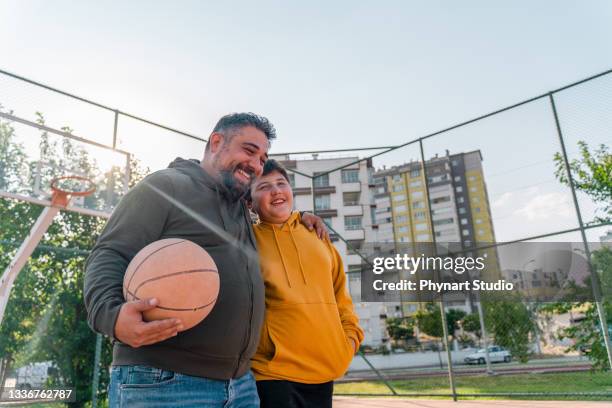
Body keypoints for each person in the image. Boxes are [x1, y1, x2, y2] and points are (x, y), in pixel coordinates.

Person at [84, 113, 327, 408]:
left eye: (262, 159)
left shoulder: (239, 207)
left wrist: (301, 219)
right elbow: (110, 252)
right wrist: (112, 317)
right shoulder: (165, 186)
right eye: (249, 151)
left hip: (241, 385)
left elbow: (272, 214)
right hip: (163, 380)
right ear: (216, 142)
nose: (255, 164)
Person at [248, 159, 364, 408]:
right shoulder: (245, 240)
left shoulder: (317, 235)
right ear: (249, 202)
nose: (276, 190)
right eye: (264, 186)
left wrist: (351, 339)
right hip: (272, 374)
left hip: (325, 370)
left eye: (281, 183)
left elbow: (340, 295)